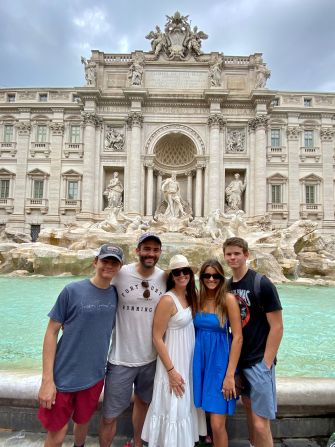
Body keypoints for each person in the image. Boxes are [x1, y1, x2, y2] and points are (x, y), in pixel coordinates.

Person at [38, 244, 123, 447]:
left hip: (94, 376)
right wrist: (47, 380)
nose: (108, 266)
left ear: (120, 268)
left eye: (114, 263)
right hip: (63, 377)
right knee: (57, 433)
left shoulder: (116, 295)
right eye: (105, 261)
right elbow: (51, 332)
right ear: (95, 262)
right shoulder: (72, 290)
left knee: (82, 421)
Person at [99, 232, 166, 447]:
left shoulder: (164, 278)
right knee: (109, 415)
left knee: (144, 404)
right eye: (146, 249)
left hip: (151, 359)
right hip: (121, 359)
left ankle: (138, 443)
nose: (150, 253)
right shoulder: (120, 274)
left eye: (155, 250)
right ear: (137, 250)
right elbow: (97, 290)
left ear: (160, 253)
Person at [223, 237, 283, 447]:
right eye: (229, 254)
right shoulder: (228, 286)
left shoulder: (262, 283)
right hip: (240, 362)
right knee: (249, 412)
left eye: (237, 253)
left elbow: (277, 327)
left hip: (258, 362)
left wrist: (266, 364)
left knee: (260, 424)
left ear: (246, 255)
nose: (233, 257)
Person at [142, 254, 206, 446]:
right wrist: (171, 371)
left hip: (187, 359)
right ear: (172, 275)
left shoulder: (189, 295)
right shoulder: (167, 300)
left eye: (185, 271)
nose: (181, 275)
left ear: (189, 273)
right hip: (173, 361)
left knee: (183, 404)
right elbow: (157, 337)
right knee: (173, 405)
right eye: (177, 272)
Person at [193, 258, 243, 447]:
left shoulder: (228, 300)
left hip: (220, 364)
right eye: (207, 275)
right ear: (201, 277)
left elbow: (238, 337)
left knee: (217, 424)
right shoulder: (197, 298)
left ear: (221, 277)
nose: (211, 279)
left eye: (215, 275)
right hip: (199, 362)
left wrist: (230, 375)